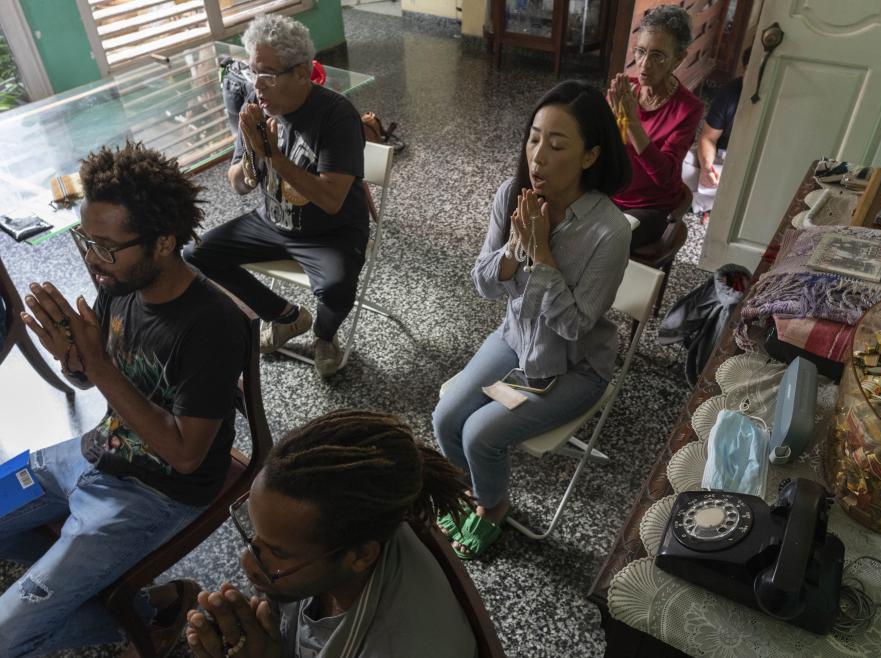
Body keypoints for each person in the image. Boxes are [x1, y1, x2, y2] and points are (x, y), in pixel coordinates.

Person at [1, 141, 250, 657]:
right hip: (92, 453)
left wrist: (97, 365)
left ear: (163, 242)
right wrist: (73, 357)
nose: (93, 261)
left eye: (107, 247)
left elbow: (185, 456)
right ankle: (146, 604)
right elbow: (94, 380)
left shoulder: (211, 325)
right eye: (87, 242)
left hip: (153, 493)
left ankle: (134, 621)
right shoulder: (118, 283)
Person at [430, 80, 631, 559]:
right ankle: (479, 491)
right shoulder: (511, 195)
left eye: (557, 144)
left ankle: (493, 507)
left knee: (480, 434)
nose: (538, 155)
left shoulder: (610, 231)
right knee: (445, 419)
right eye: (534, 138)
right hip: (514, 340)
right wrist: (516, 249)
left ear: (589, 157)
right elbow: (483, 282)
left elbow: (575, 327)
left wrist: (542, 253)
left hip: (574, 366)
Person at [182, 409, 478, 658]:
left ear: (361, 555)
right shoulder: (354, 527)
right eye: (254, 535)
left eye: (279, 553)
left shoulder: (403, 647)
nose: (247, 560)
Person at [184, 14, 368, 377]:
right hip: (272, 222)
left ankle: (324, 335)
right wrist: (252, 159)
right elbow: (237, 183)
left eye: (267, 74)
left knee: (336, 287)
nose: (257, 85)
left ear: (302, 72)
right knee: (195, 254)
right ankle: (285, 317)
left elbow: (331, 199)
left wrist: (276, 158)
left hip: (330, 230)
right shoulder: (256, 103)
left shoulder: (336, 116)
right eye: (253, 72)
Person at [607, 4, 704, 249]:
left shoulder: (687, 108)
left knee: (608, 241)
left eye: (658, 56)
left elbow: (665, 176)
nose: (644, 64)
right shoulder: (624, 90)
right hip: (610, 194)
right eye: (640, 52)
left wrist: (632, 122)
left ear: (678, 59)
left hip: (649, 206)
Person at [683, 46, 751, 216]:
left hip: (749, 166)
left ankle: (702, 204)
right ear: (744, 70)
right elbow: (708, 138)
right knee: (682, 163)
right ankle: (712, 204)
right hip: (722, 158)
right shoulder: (730, 92)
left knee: (745, 190)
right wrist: (706, 168)